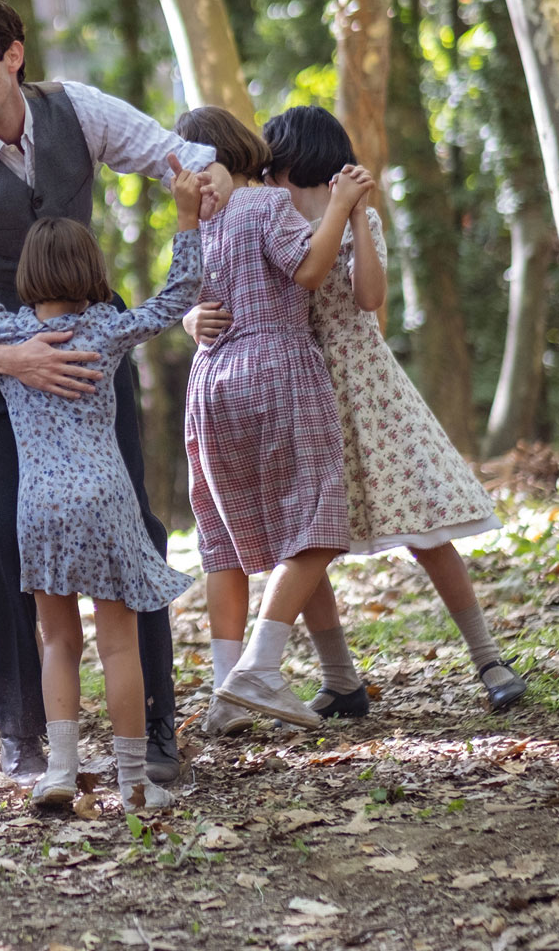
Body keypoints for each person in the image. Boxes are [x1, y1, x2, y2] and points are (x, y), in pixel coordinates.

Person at [0, 0, 233, 783]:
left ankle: (154, 734)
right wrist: (18, 361)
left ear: (12, 53)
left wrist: (210, 175)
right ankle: (28, 741)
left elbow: (173, 155)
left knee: (136, 528)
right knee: (1, 546)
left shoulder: (74, 110)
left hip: (89, 358)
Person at [186, 105, 526, 722]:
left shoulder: (350, 214)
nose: (266, 176)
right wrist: (191, 317)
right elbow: (224, 290)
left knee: (426, 525)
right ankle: (341, 679)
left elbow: (369, 298)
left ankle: (489, 658)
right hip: (293, 390)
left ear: (295, 159)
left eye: (275, 163)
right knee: (304, 538)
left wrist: (356, 217)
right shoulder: (265, 213)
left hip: (365, 387)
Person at [0, 158, 202, 809]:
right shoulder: (108, 329)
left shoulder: (7, 336)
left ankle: (60, 771)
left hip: (38, 504)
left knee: (59, 640)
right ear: (92, 272)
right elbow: (178, 295)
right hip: (106, 498)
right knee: (119, 643)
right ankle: (134, 784)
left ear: (25, 277)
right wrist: (183, 217)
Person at [177, 107, 370, 730]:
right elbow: (310, 271)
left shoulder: (196, 227)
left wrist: (187, 321)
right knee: (314, 523)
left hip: (210, 385)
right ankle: (258, 668)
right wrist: (340, 205)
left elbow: (183, 301)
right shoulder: (263, 205)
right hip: (275, 366)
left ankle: (223, 697)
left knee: (223, 543)